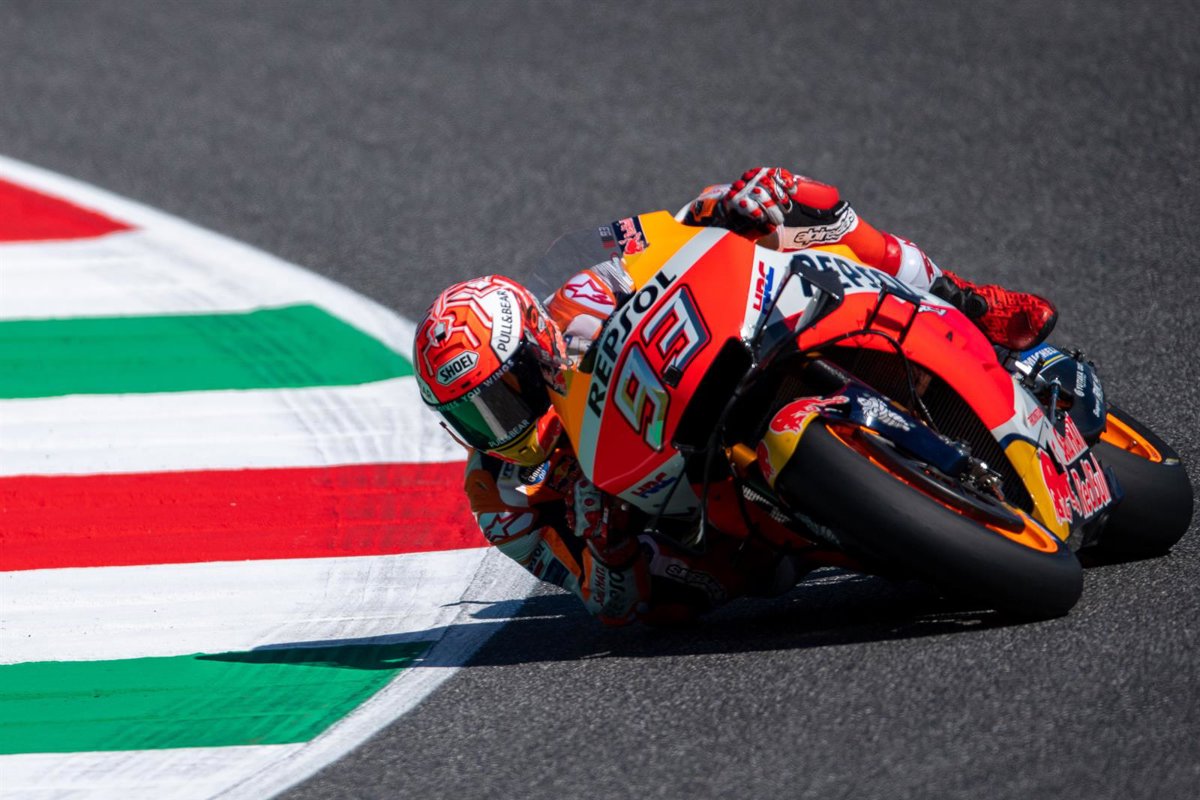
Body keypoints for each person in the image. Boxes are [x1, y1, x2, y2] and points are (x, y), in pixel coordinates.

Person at [413, 167, 1058, 625]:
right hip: (702, 530)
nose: (497, 426)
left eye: (503, 397)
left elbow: (673, 235)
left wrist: (727, 207)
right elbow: (603, 604)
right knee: (672, 601)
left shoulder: (580, 299)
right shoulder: (499, 498)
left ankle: (966, 301)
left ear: (537, 344)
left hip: (717, 368)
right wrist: (607, 549)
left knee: (790, 203)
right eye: (471, 416)